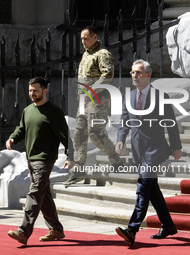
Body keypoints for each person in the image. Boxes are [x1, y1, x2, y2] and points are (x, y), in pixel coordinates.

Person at [115, 59, 182, 245]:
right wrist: (120, 140)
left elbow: (171, 122)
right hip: (138, 149)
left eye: (138, 72)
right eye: (132, 73)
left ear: (148, 75)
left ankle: (132, 229)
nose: (134, 76)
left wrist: (176, 146)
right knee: (152, 190)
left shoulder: (161, 97)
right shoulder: (128, 97)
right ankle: (168, 225)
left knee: (143, 187)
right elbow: (124, 121)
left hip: (154, 148)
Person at [6, 77, 75, 245]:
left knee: (35, 193)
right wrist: (13, 138)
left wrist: (71, 156)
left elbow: (65, 136)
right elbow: (21, 128)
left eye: (35, 90)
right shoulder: (28, 110)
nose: (32, 94)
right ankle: (56, 229)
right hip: (31, 158)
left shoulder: (53, 112)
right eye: (30, 91)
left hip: (45, 159)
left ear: (45, 91)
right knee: (44, 196)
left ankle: (23, 231)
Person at [63, 25, 123, 186]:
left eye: (86, 38)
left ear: (95, 37)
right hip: (84, 102)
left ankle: (116, 160)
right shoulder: (86, 55)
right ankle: (79, 169)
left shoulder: (103, 54)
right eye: (81, 38)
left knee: (95, 133)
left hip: (98, 101)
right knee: (79, 134)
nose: (83, 41)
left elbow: (108, 74)